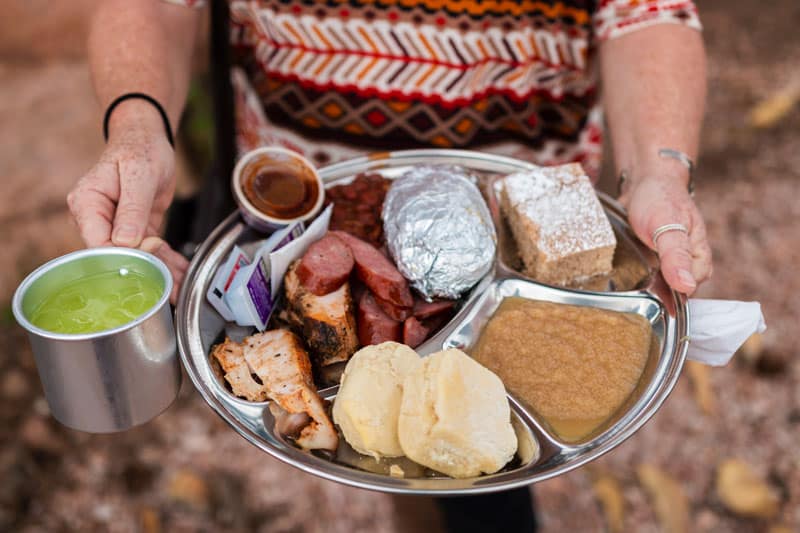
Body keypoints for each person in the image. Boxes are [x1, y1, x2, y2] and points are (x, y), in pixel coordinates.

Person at [67, 0, 713, 530]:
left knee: (483, 495)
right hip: (293, 212)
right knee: (394, 451)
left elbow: (646, 15)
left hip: (515, 228)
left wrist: (659, 169)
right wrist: (136, 125)